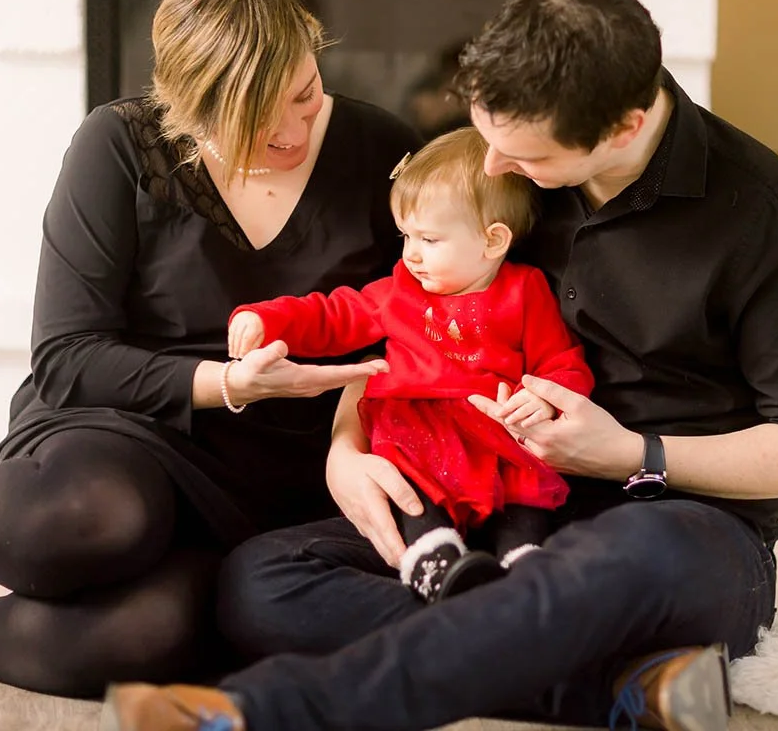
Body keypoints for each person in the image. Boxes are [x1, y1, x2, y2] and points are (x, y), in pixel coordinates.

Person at [102, 0, 778, 729]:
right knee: (260, 583)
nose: (495, 168)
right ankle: (627, 692)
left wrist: (633, 452)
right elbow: (400, 315)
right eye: (487, 135)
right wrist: (345, 445)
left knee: (631, 556)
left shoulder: (762, 213)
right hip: (491, 498)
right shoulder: (502, 157)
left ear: (623, 129)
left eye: (524, 157)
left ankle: (262, 713)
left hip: (673, 523)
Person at [0, 0, 419, 698]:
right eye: (254, 119)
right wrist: (226, 383)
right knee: (94, 515)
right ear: (188, 111)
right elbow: (66, 358)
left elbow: (412, 328)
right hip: (120, 429)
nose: (291, 131)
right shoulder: (119, 145)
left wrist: (348, 438)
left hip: (279, 476)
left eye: (305, 94)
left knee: (145, 637)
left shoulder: (382, 151)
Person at [227, 127, 595, 603]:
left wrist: (542, 399)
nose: (411, 254)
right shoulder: (400, 291)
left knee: (525, 493)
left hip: (495, 431)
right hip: (417, 434)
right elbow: (335, 314)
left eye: (429, 238)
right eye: (407, 236)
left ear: (493, 240)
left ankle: (523, 563)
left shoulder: (525, 292)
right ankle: (435, 561)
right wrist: (268, 318)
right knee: (406, 484)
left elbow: (561, 362)